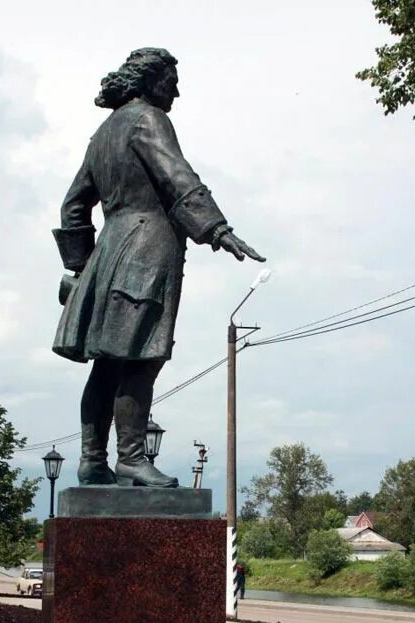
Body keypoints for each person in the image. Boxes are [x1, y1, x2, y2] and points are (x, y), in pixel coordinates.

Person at [52, 47, 264, 488]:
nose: (177, 90)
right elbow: (176, 175)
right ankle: (130, 458)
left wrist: (81, 268)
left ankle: (93, 460)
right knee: (142, 357)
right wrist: (217, 229)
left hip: (109, 251)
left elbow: (74, 207)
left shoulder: (103, 133)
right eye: (171, 80)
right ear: (148, 81)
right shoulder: (148, 119)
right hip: (147, 250)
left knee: (107, 364)